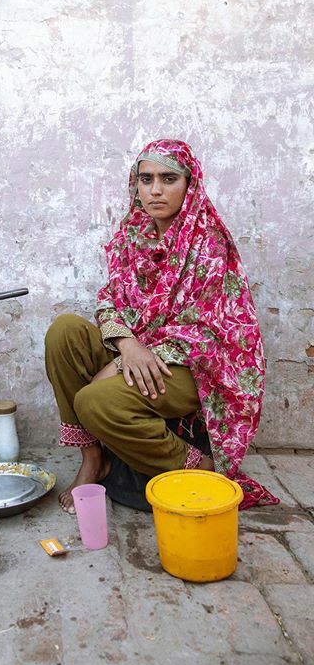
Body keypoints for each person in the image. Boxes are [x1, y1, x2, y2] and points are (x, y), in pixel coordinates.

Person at [45, 139, 279, 513]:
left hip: (196, 367)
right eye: (146, 178)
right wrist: (126, 347)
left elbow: (204, 331)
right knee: (65, 331)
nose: (155, 190)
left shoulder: (208, 243)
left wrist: (124, 361)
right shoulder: (130, 237)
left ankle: (198, 467)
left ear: (190, 183)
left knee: (96, 401)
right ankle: (94, 458)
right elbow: (110, 299)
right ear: (134, 184)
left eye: (168, 178)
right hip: (140, 349)